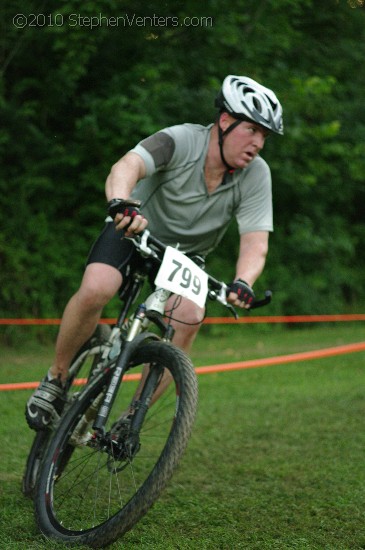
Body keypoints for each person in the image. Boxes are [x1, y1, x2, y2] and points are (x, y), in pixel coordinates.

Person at [26, 75, 284, 431]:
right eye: (252, 130)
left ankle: (132, 417)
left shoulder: (256, 175)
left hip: (185, 258)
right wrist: (121, 203)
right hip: (134, 229)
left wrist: (243, 281)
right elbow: (127, 166)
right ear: (225, 121)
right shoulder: (180, 140)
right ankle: (55, 378)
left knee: (191, 315)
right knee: (97, 288)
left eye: (264, 136)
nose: (258, 143)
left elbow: (256, 241)